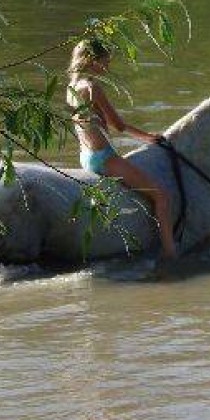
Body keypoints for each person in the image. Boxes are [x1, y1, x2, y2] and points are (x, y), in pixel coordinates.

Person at [66, 39, 176, 261]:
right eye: (105, 61)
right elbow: (118, 125)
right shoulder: (92, 87)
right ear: (91, 60)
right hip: (103, 158)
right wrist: (150, 138)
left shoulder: (71, 89)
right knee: (162, 196)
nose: (108, 66)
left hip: (86, 157)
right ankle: (170, 254)